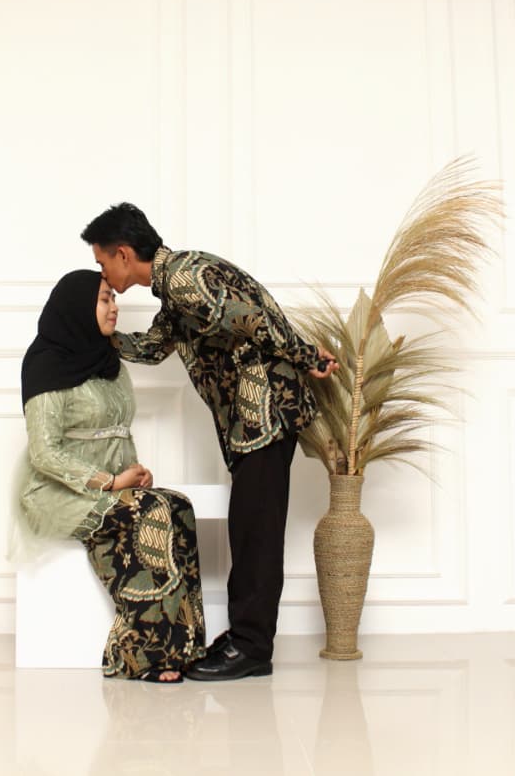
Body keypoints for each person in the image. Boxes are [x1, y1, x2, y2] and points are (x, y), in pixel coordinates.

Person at [81, 203, 338, 681]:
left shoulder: (184, 279)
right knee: (250, 528)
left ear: (123, 254)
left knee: (256, 534)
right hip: (250, 422)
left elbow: (255, 320)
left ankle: (252, 648)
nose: (103, 272)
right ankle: (245, 638)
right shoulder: (176, 289)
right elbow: (154, 348)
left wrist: (307, 356)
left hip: (264, 413)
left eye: (102, 261)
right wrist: (101, 336)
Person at [20, 269, 207, 683]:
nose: (114, 307)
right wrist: (110, 482)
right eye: (104, 299)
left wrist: (132, 474)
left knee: (177, 507)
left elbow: (117, 432)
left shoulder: (109, 363)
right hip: (58, 492)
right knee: (150, 514)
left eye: (113, 298)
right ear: (76, 308)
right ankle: (140, 654)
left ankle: (185, 647)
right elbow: (44, 453)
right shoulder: (46, 365)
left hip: (109, 483)